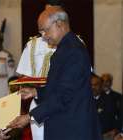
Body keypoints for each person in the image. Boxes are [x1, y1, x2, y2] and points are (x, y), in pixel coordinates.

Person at [8, 8, 102, 140]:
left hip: (73, 130)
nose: (44, 36)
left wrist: (29, 116)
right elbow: (57, 87)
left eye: (45, 30)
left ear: (59, 24)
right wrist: (36, 92)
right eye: (40, 32)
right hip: (66, 126)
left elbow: (64, 95)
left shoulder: (74, 51)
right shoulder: (65, 48)